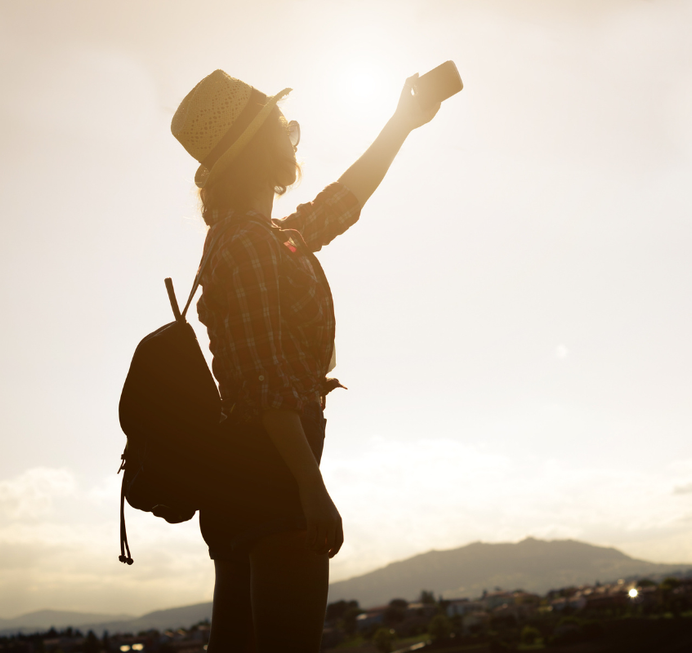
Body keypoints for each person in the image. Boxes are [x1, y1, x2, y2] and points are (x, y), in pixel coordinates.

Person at [170, 69, 440, 651]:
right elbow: (265, 382)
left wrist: (402, 123)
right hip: (271, 476)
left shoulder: (261, 236)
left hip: (245, 479)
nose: (293, 140)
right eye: (283, 131)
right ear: (259, 151)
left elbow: (341, 204)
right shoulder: (248, 244)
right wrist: (309, 489)